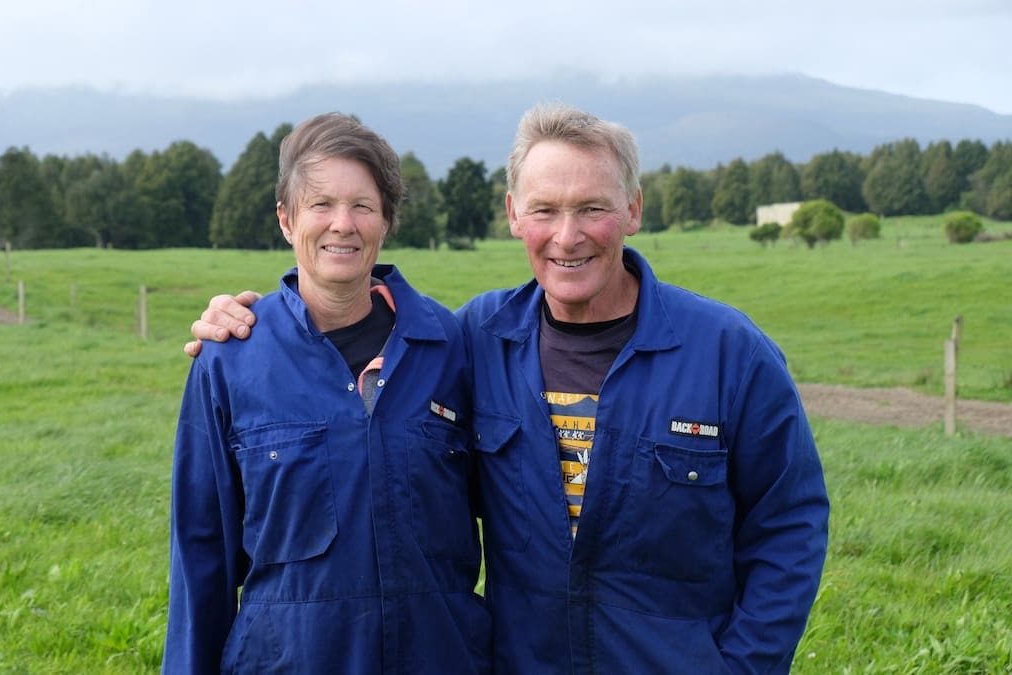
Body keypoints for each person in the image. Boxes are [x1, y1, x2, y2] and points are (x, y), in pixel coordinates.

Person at [186, 103, 830, 674]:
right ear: (515, 216)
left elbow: (789, 521)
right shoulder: (473, 341)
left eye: (593, 208)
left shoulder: (727, 352)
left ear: (633, 210)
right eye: (545, 210)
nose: (567, 235)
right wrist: (253, 326)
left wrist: (744, 665)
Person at [164, 112, 490, 674]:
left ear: (385, 220)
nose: (343, 224)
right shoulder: (230, 355)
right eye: (321, 205)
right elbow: (200, 555)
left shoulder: (452, 347)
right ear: (287, 220)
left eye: (362, 205)